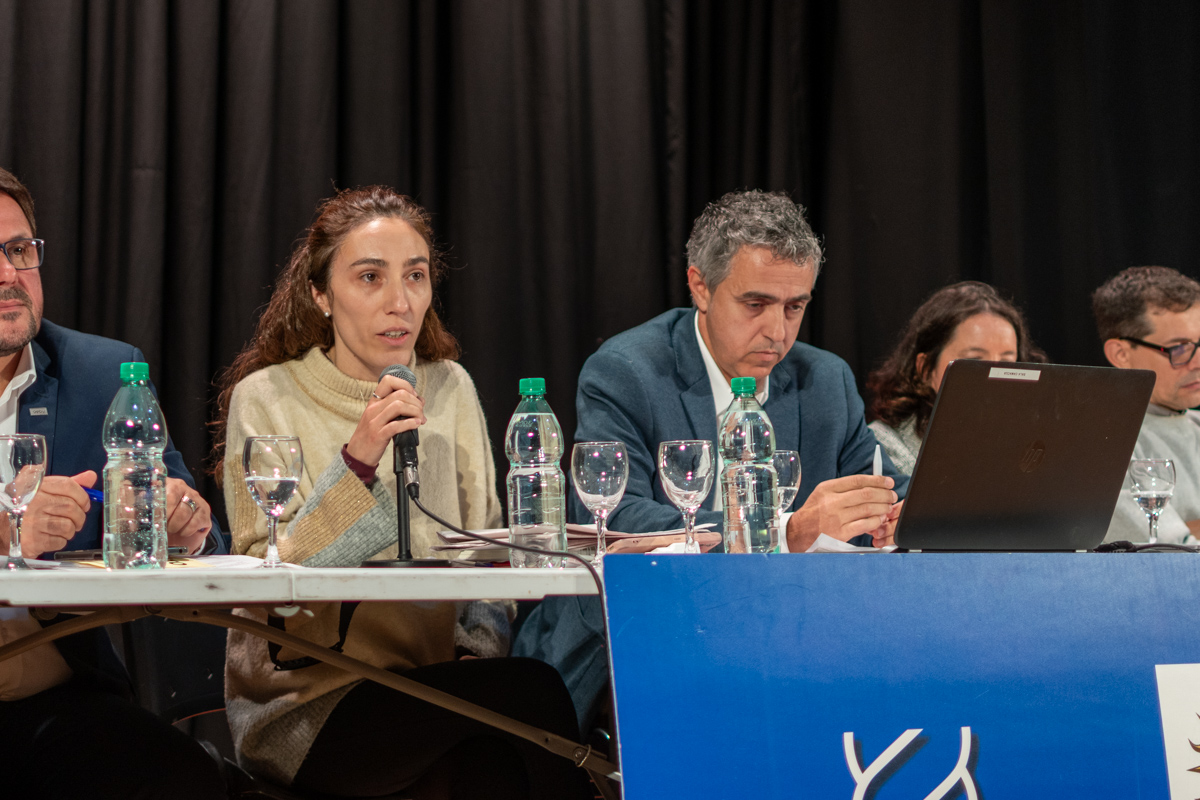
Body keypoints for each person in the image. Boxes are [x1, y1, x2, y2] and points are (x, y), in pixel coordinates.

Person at [212, 186, 593, 799]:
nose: (400, 301)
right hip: (308, 703)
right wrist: (359, 460)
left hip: (436, 689)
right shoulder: (267, 397)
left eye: (415, 276)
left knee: (488, 765)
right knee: (535, 693)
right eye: (370, 277)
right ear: (320, 295)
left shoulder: (449, 387)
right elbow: (269, 584)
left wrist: (475, 656)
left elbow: (486, 560)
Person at [514, 189, 909, 731]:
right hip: (648, 637)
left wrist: (897, 516)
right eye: (756, 305)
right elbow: (617, 521)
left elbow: (888, 486)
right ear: (700, 286)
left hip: (794, 645)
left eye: (795, 307)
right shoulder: (627, 372)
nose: (778, 332)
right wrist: (786, 532)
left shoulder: (825, 381)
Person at [0, 167, 225, 798]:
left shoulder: (102, 374)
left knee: (179, 778)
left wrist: (184, 525)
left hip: (54, 699)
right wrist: (9, 531)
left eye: (19, 250)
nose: (8, 274)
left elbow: (200, 532)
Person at [866, 281, 1046, 474]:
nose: (996, 378)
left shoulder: (1033, 441)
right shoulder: (882, 445)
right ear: (926, 369)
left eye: (1007, 362)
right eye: (975, 361)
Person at [1094, 266, 1200, 544]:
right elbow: (1170, 551)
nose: (1197, 362)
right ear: (1121, 354)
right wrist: (1186, 532)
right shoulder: (1104, 440)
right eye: (1179, 348)